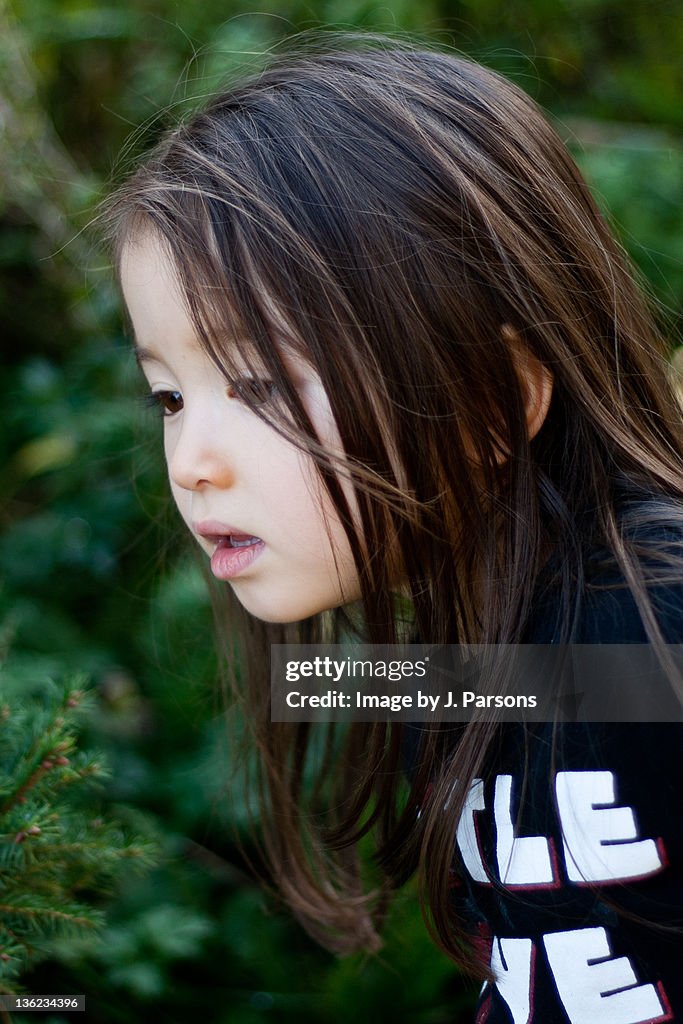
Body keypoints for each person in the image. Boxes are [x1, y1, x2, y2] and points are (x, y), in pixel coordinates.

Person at [103, 36, 683, 1023]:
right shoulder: (466, 659)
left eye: (260, 384)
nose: (192, 459)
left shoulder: (650, 628)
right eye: (168, 396)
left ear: (493, 399)